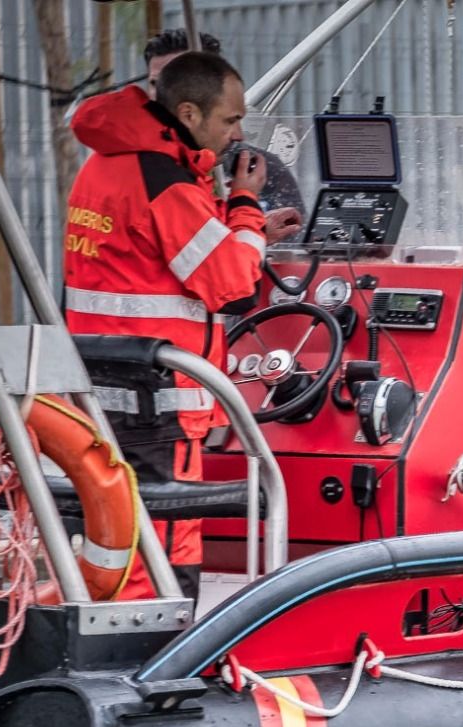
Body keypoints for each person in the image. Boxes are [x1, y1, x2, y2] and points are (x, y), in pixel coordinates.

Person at [63, 52, 298, 601]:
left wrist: (245, 230)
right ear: (189, 113)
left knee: (112, 535)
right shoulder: (165, 182)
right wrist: (244, 205)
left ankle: (106, 635)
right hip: (157, 404)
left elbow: (160, 258)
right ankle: (160, 651)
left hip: (101, 391)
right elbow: (232, 286)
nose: (238, 134)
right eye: (230, 120)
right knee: (165, 547)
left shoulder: (107, 164)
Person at [144, 29, 305, 219]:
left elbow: (295, 230)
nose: (163, 95)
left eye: (180, 82)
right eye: (155, 84)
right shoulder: (139, 169)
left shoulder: (259, 168)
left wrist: (260, 227)